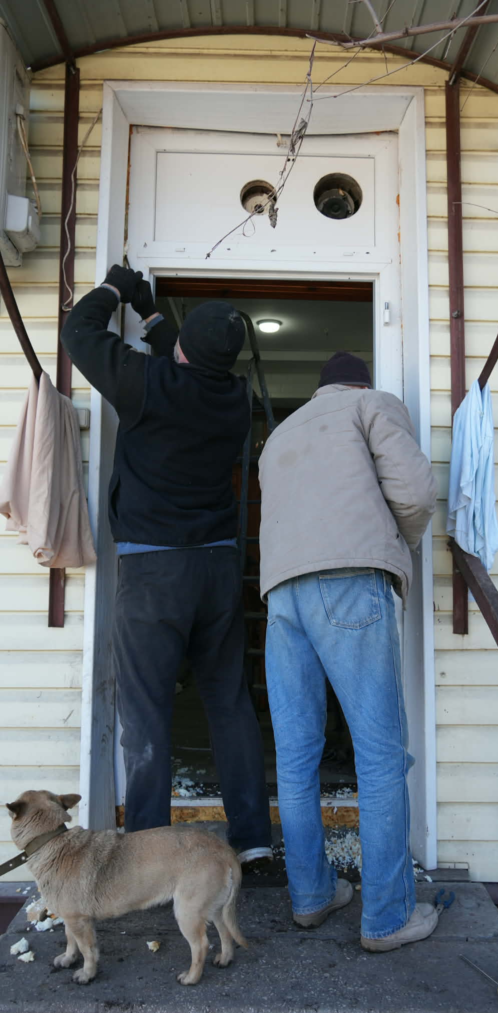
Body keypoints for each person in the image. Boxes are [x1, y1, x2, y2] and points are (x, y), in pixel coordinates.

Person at [61, 265, 272, 863]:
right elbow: (185, 362)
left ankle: (149, 851)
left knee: (147, 711)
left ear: (178, 354)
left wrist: (111, 288)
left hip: (155, 574)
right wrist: (153, 317)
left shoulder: (148, 385)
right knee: (229, 703)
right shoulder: (235, 400)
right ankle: (253, 840)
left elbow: (79, 333)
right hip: (217, 570)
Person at [258, 351, 438, 950]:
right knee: (382, 756)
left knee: (296, 753)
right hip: (349, 581)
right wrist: (391, 545)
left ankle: (312, 896)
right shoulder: (371, 405)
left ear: (317, 388)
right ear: (361, 381)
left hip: (282, 595)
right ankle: (387, 917)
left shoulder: (279, 434)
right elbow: (414, 494)